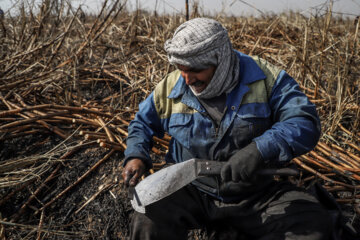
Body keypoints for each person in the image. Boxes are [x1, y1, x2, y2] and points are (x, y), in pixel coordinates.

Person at [122, 18, 332, 240]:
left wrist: (259, 150)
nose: (188, 78)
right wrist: (136, 155)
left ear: (220, 60)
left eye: (195, 69)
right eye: (181, 69)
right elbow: (142, 123)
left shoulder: (267, 79)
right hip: (192, 188)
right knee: (148, 219)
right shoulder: (171, 85)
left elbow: (304, 120)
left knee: (312, 226)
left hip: (254, 194)